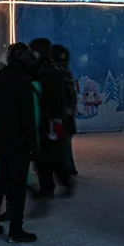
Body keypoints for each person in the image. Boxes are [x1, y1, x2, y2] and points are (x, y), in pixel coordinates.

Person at [0, 43, 39, 243]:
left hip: (0, 140)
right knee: (17, 186)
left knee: (2, 183)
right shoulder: (23, 81)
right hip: (18, 143)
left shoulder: (0, 78)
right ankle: (16, 229)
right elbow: (27, 118)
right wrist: (32, 145)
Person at [30, 37, 69, 198]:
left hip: (51, 118)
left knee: (49, 154)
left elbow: (56, 98)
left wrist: (54, 121)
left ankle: (61, 182)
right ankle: (49, 186)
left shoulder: (50, 71)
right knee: (44, 155)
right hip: (46, 117)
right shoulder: (43, 68)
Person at [52, 44, 78, 176]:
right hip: (63, 115)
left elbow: (69, 95)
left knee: (63, 142)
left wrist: (68, 109)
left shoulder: (61, 73)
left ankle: (66, 167)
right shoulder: (62, 73)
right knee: (63, 142)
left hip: (63, 115)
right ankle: (66, 167)